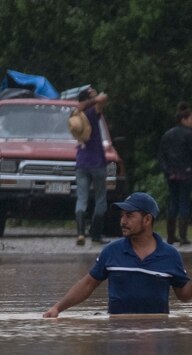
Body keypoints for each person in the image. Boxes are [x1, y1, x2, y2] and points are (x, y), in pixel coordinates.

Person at [43, 192, 192, 317]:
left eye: (129, 216)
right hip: (118, 332)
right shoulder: (112, 251)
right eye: (122, 216)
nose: (123, 221)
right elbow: (87, 285)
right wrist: (57, 308)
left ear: (147, 220)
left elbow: (183, 295)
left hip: (156, 333)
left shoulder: (170, 255)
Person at [158, 102, 192, 245]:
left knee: (173, 202)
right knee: (184, 202)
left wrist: (167, 170)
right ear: (184, 119)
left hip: (171, 174)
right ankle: (183, 236)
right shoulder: (189, 135)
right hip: (185, 173)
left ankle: (170, 236)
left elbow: (161, 156)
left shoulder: (167, 135)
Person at [73, 87, 110, 246]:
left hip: (81, 161)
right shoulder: (92, 112)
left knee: (82, 199)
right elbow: (103, 99)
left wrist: (91, 97)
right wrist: (97, 98)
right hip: (96, 161)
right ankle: (95, 235)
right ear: (88, 98)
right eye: (92, 93)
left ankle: (80, 233)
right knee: (101, 198)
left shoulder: (75, 114)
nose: (96, 94)